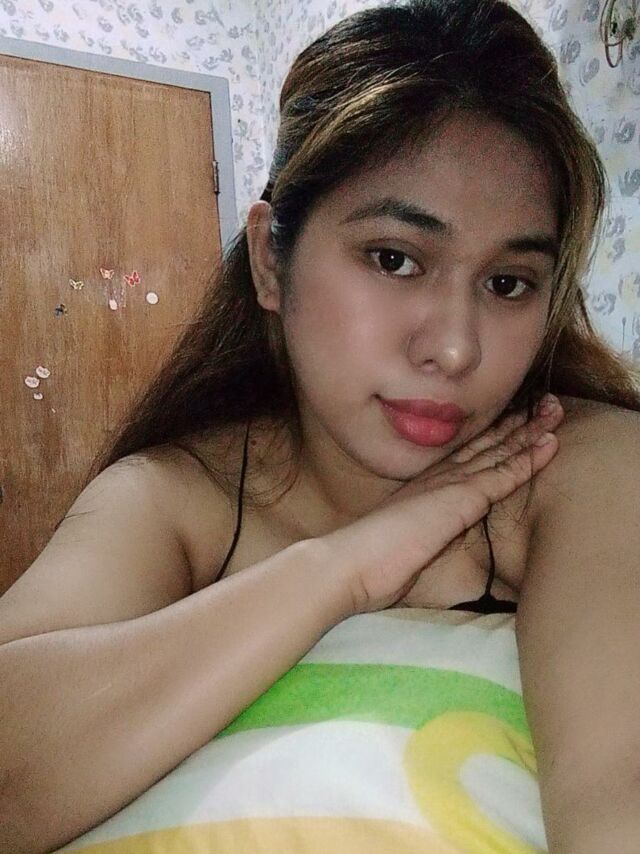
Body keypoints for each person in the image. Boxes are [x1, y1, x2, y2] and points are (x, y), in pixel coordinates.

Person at [1, 0, 640, 851]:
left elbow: (618, 795)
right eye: (394, 259)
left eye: (508, 283)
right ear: (272, 259)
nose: (455, 348)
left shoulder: (576, 468)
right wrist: (344, 567)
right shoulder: (173, 500)